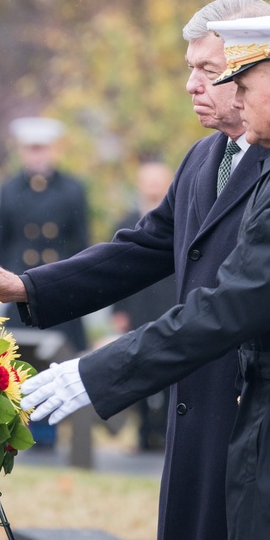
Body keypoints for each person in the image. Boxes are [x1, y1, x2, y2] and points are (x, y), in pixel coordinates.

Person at [0, 11, 270, 540]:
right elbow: (153, 245)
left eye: (241, 83)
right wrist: (31, 288)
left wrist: (93, 374)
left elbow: (228, 308)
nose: (234, 95)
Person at [0, 0, 270, 540]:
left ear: (252, 70)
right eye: (190, 69)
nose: (190, 85)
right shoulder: (204, 156)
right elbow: (141, 249)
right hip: (195, 401)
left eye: (207, 71)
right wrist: (24, 286)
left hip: (252, 406)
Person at [0, 116, 89, 449]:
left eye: (42, 148)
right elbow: (0, 243)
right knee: (19, 360)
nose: (36, 155)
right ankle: (18, 428)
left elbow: (81, 243)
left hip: (57, 282)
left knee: (55, 360)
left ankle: (47, 433)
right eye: (30, 149)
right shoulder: (8, 188)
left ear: (54, 150)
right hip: (19, 285)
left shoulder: (73, 189)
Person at [110, 158, 177, 452]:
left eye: (157, 180)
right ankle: (143, 431)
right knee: (137, 368)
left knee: (169, 370)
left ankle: (164, 431)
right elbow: (112, 268)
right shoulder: (125, 223)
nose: (152, 186)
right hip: (137, 306)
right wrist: (118, 310)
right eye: (147, 180)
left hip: (171, 303)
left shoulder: (183, 219)